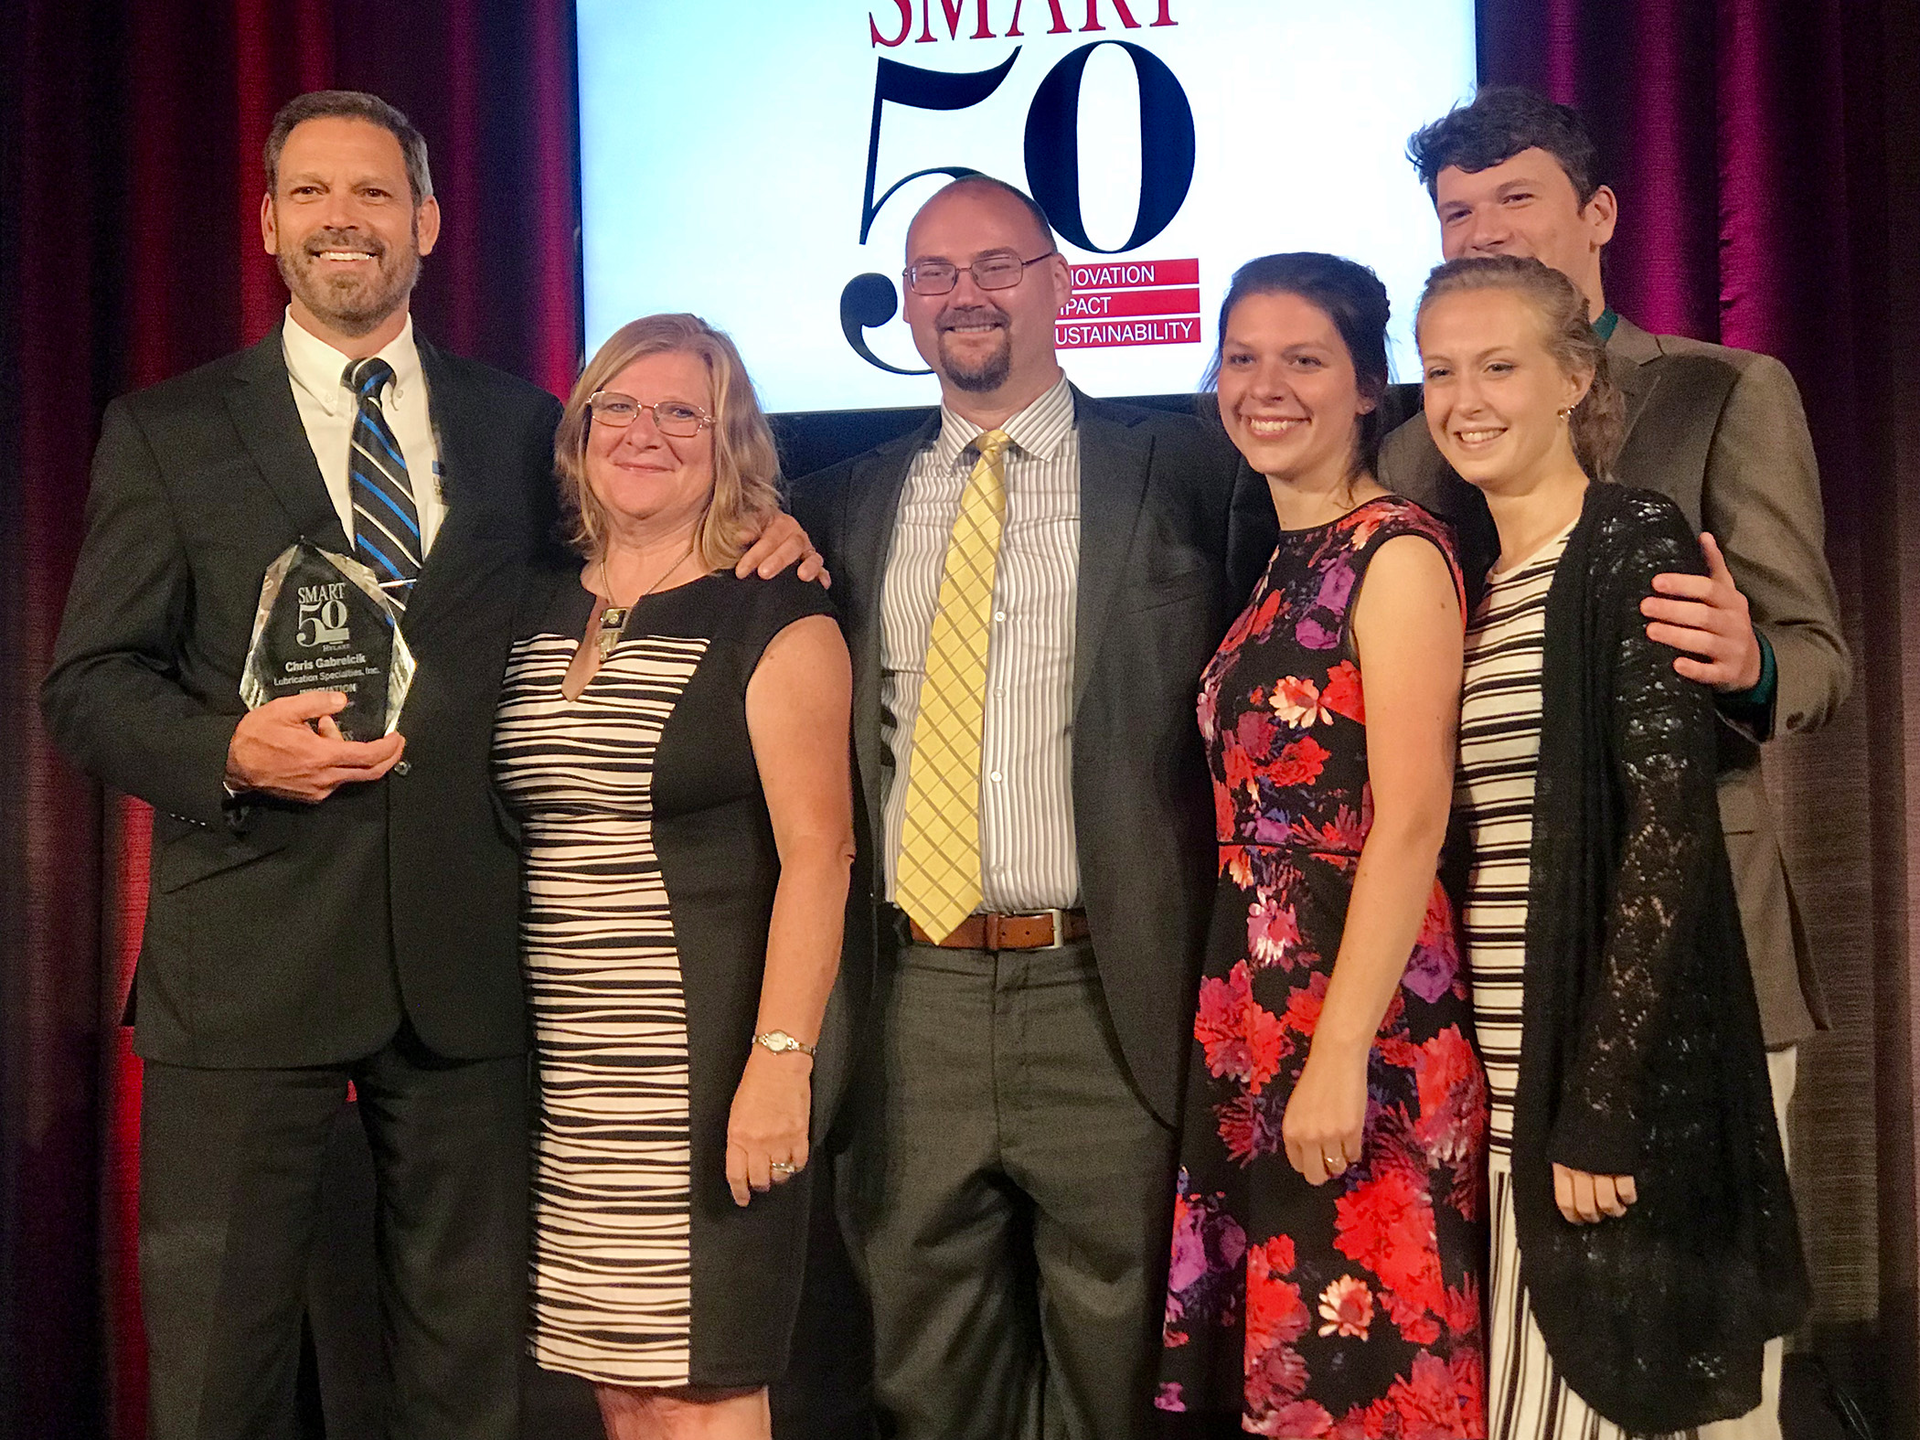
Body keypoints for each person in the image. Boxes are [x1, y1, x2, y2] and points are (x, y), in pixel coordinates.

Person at [38, 91, 815, 1440]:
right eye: (316, 194)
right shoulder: (167, 433)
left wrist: (771, 529)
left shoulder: (526, 427)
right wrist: (221, 747)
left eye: (378, 194)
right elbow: (89, 688)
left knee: (473, 1386)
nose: (348, 220)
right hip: (248, 974)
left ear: (431, 223)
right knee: (217, 1380)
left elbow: (641, 537)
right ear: (271, 221)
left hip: (472, 975)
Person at [788, 175, 1271, 1440]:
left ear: (1060, 285)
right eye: (936, 274)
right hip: (911, 999)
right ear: (903, 304)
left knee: (1121, 1364)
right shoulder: (839, 504)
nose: (966, 295)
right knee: (924, 1368)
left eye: (997, 265)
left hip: (1109, 989)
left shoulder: (1190, 473)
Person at [1417, 253, 1808, 1435]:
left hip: (1586, 1089)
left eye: (1499, 366)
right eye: (1440, 371)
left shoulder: (1630, 536)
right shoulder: (1480, 580)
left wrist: (1598, 1105)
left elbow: (1665, 833)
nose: (1466, 399)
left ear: (1575, 378)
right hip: (1497, 1081)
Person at [492, 313, 853, 1440]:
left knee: (705, 1387)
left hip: (706, 1056)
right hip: (568, 1068)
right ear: (581, 429)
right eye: (621, 407)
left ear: (729, 439)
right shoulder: (532, 602)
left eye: (682, 412)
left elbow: (820, 857)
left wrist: (780, 1066)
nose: (646, 433)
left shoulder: (773, 611)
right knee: (623, 1385)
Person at [1153, 253, 1486, 1435]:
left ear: (1366, 388)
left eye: (1304, 359)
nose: (1265, 385)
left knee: (1364, 1368)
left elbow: (1410, 821)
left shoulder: (1393, 553)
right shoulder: (1280, 562)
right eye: (1243, 357)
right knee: (1284, 1377)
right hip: (1255, 1006)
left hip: (1363, 1010)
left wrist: (1340, 1050)